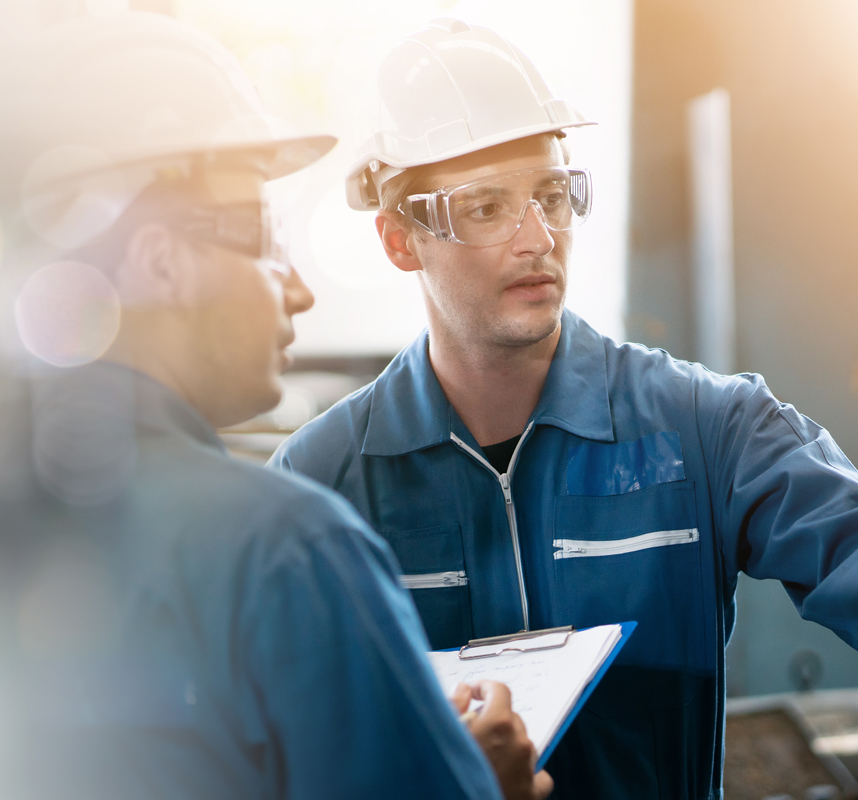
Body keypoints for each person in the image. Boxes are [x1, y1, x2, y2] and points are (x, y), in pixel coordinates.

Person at [270, 19, 858, 799]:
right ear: (399, 238)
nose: (536, 236)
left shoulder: (698, 427)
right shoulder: (322, 487)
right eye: (487, 207)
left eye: (554, 194)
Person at [2, 13, 549, 800]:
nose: (298, 288)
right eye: (263, 236)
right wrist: (477, 786)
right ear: (160, 261)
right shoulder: (289, 550)